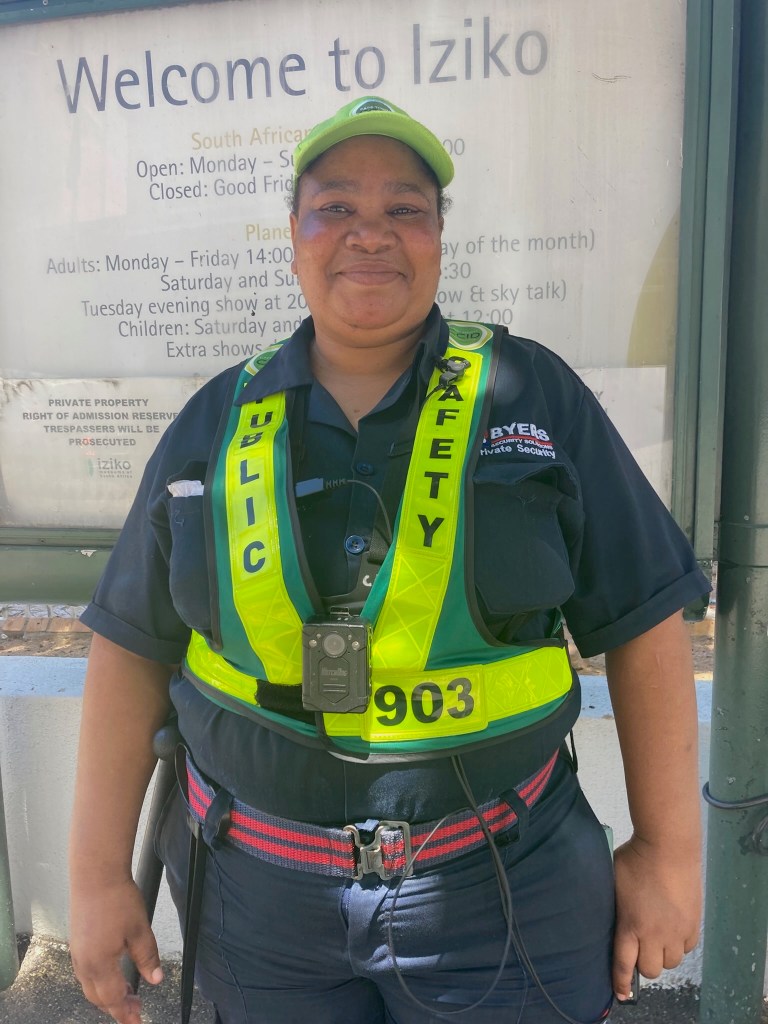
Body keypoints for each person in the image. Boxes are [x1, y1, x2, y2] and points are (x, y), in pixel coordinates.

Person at [69, 96, 708, 1024]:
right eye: (336, 209)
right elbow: (130, 645)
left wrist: (670, 854)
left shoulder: (532, 395)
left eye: (404, 209)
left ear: (441, 236)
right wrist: (93, 880)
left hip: (506, 895)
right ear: (295, 235)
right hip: (259, 911)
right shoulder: (216, 418)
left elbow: (646, 618)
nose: (370, 236)